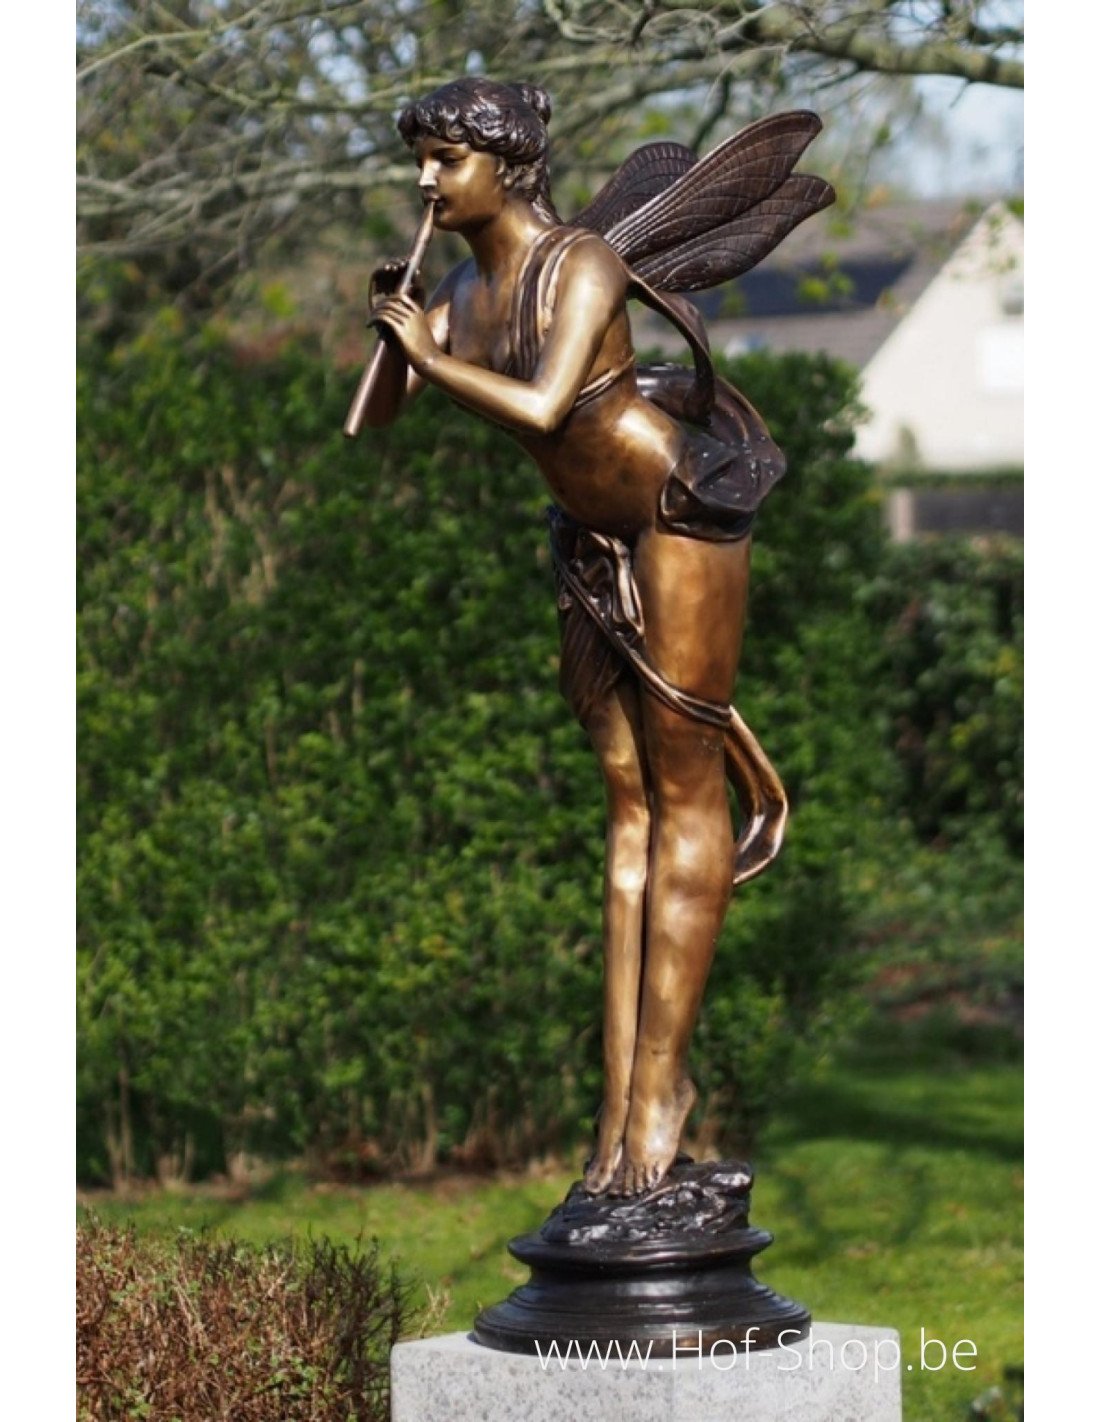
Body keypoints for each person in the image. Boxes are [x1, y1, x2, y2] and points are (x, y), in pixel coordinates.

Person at [365, 78, 790, 1197]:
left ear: (506, 168)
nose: (425, 180)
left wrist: (428, 357)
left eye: (445, 159)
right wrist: (394, 331)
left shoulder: (582, 264)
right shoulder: (461, 287)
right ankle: (616, 1115)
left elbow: (546, 408)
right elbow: (374, 416)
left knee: (683, 792)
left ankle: (661, 1095)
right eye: (420, 160)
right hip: (588, 539)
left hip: (674, 515)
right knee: (624, 806)